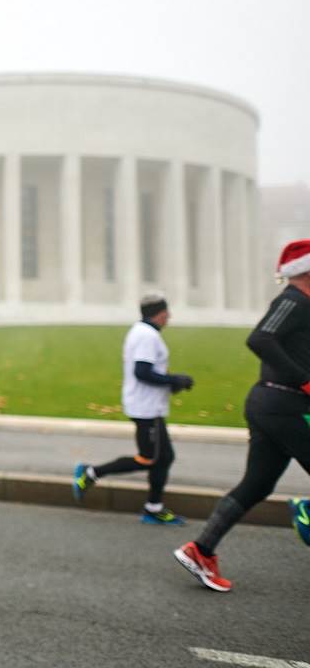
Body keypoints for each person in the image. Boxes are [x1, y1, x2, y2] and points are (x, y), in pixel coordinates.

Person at [175, 240, 310, 592]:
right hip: (282, 404)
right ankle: (307, 514)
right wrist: (304, 380)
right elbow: (260, 338)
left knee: (258, 484)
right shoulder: (292, 300)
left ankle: (200, 550)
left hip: (275, 405)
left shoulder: (302, 304)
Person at [72, 291, 193, 525]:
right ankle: (90, 474)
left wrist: (172, 383)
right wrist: (174, 380)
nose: (169, 317)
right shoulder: (147, 336)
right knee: (150, 458)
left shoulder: (142, 332)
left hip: (148, 405)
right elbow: (143, 372)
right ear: (160, 314)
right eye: (167, 313)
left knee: (163, 457)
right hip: (146, 408)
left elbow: (147, 371)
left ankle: (153, 507)